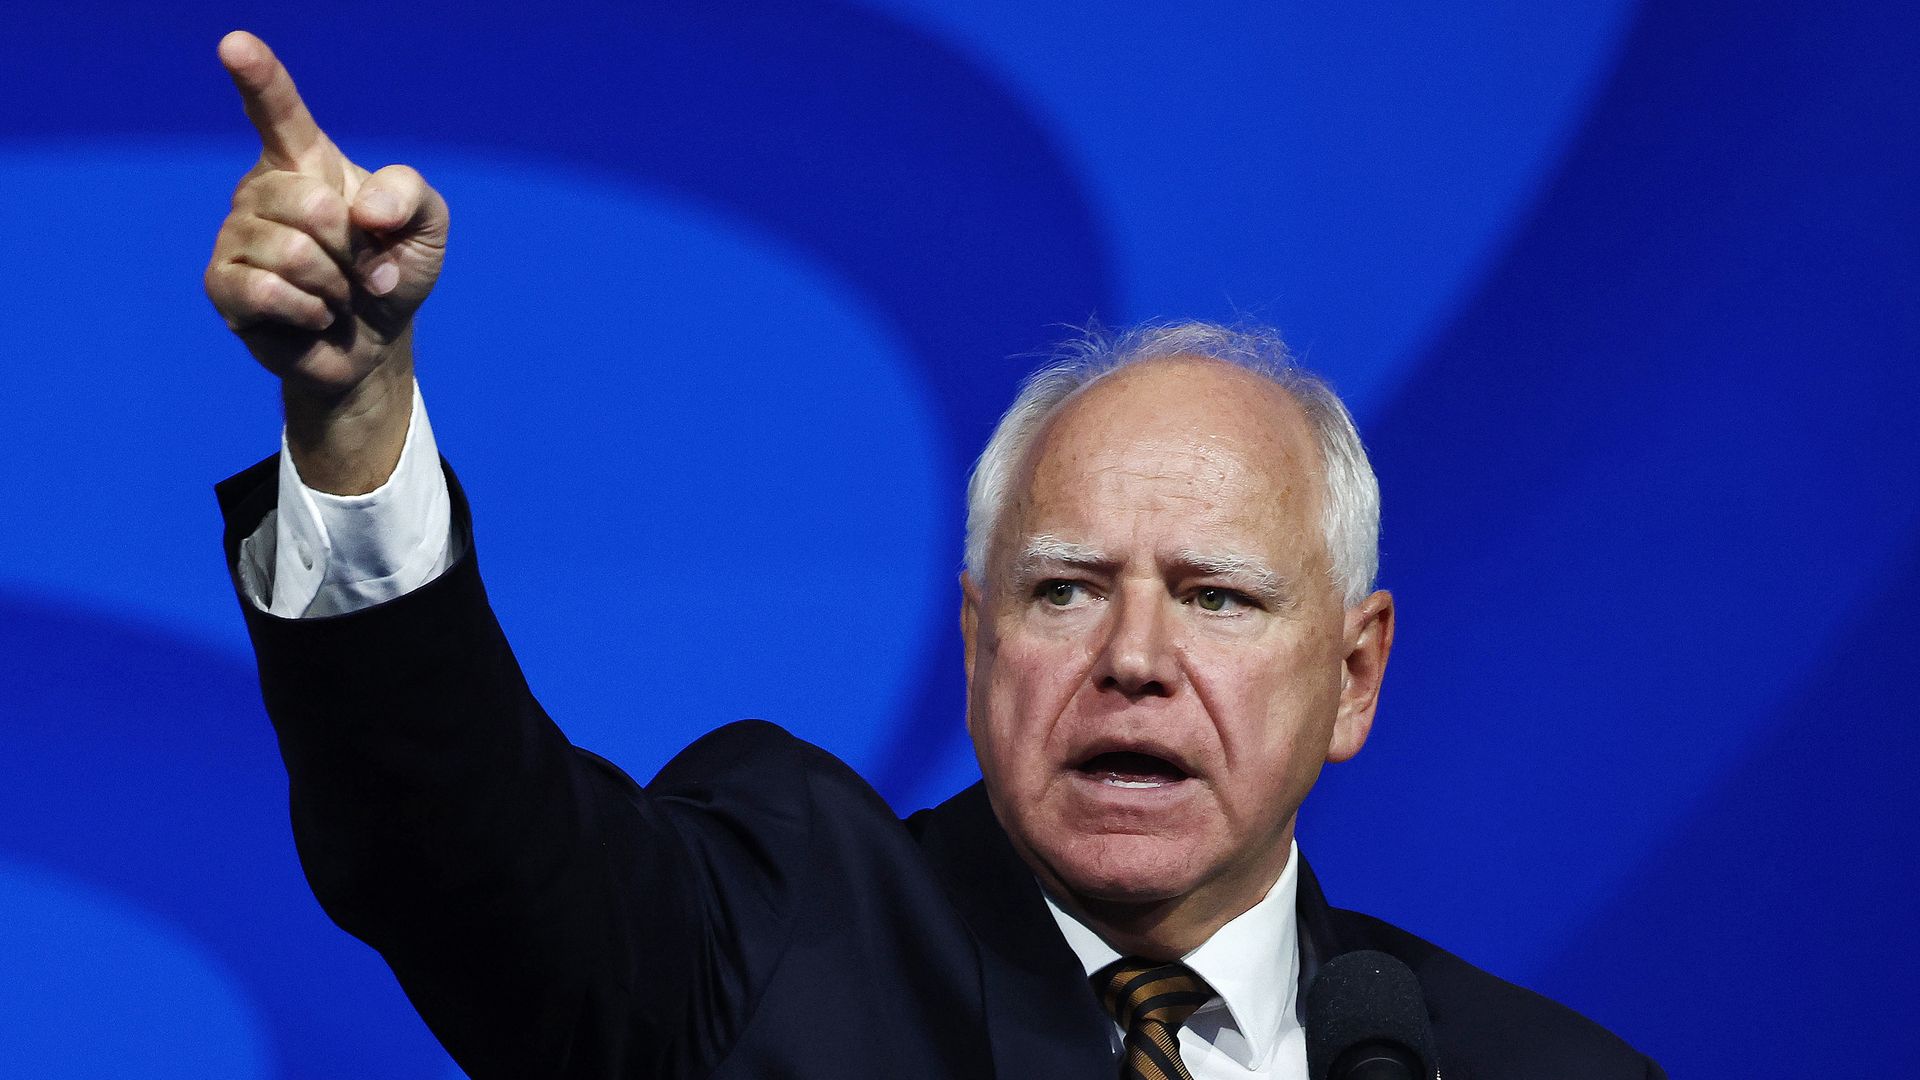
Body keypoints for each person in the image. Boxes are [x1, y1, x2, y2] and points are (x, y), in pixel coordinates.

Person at [206, 30, 1664, 1080]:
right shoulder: (781, 939)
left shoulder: (1523, 1069)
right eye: (1067, 590)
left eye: (1216, 597)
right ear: (977, 645)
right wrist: (354, 414)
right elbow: (455, 846)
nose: (1136, 662)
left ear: (1354, 675)